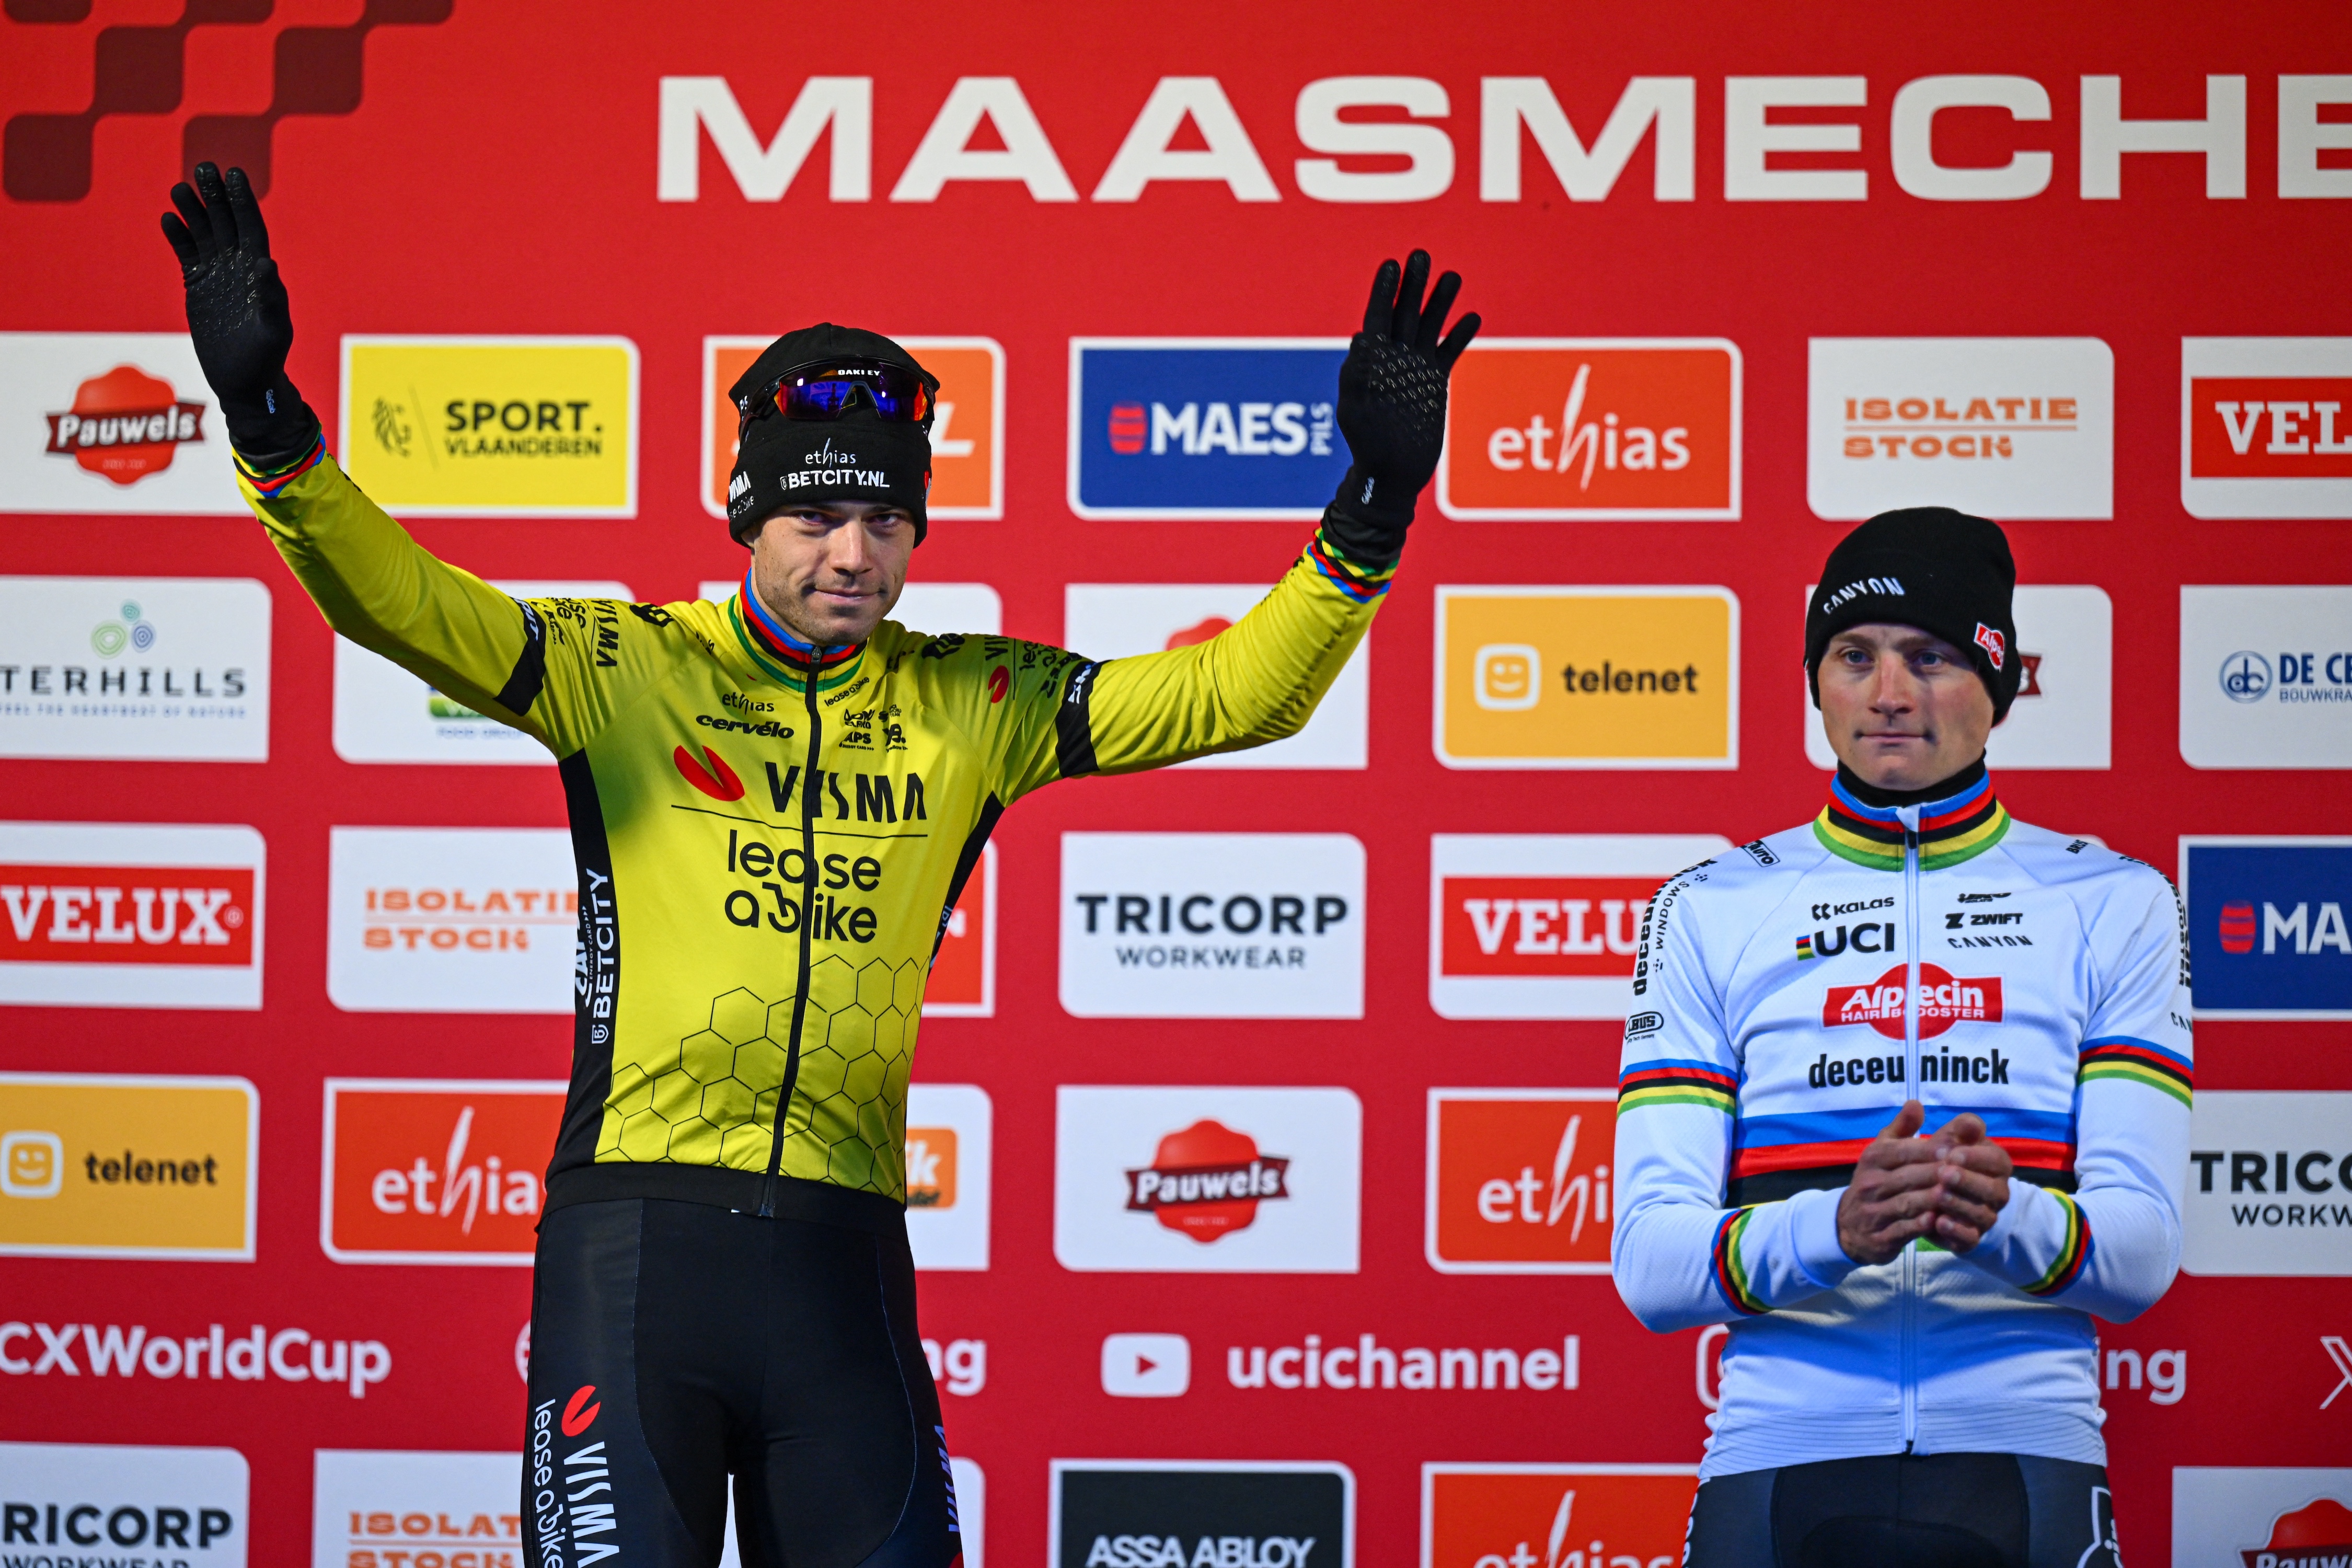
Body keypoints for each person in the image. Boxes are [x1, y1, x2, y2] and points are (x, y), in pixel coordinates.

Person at [159, 163, 1478, 1568]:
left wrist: (1370, 508)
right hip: (635, 1254)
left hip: (840, 1267)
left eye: (887, 523)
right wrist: (267, 422)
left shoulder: (977, 703)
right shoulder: (625, 668)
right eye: (814, 521)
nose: (853, 555)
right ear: (746, 517)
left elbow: (1238, 697)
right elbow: (400, 603)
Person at [1610, 509, 2190, 1566]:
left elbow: (2142, 1252)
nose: (1887, 695)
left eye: (1929, 657)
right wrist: (1838, 1226)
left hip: (2024, 1457)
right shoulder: (1708, 905)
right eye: (1854, 656)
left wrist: (2003, 1217)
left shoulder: (2115, 901)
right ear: (1815, 680)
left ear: (1999, 680)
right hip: (1776, 1457)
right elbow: (1652, 1266)